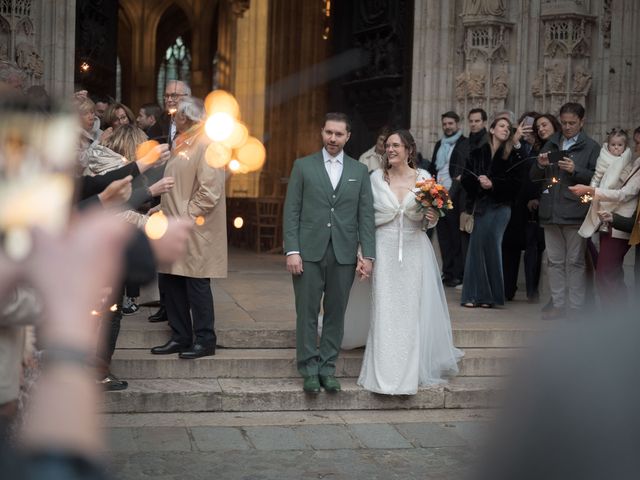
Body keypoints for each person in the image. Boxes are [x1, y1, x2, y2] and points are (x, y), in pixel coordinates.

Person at [357, 129, 462, 395]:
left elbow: (432, 220)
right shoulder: (375, 179)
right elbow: (366, 220)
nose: (390, 149)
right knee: (384, 309)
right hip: (384, 248)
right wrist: (364, 253)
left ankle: (407, 377)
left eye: (396, 145)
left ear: (409, 150)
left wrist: (431, 216)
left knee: (410, 311)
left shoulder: (424, 179)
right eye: (388, 145)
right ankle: (382, 378)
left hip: (414, 249)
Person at [283, 112, 375, 394]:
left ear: (348, 137)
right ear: (322, 132)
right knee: (307, 312)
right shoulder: (303, 166)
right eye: (328, 133)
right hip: (308, 251)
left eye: (339, 134)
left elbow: (366, 216)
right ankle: (309, 370)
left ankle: (328, 368)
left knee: (336, 314)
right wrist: (292, 251)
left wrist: (368, 255)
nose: (332, 138)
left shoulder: (359, 172)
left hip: (344, 254)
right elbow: (292, 211)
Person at [151, 96, 227, 360]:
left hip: (194, 227)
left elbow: (209, 191)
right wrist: (161, 210)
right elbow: (177, 183)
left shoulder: (208, 144)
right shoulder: (182, 142)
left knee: (196, 282)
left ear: (187, 116)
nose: (172, 116)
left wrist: (185, 215)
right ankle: (180, 336)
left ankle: (205, 339)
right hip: (173, 223)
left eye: (176, 113)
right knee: (172, 281)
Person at [530, 102, 599, 319]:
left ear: (582, 122)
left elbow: (598, 180)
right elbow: (533, 177)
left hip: (575, 212)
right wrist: (541, 166)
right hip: (550, 211)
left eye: (572, 123)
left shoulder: (591, 147)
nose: (567, 127)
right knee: (554, 261)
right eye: (564, 123)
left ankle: (576, 308)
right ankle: (558, 305)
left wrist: (575, 170)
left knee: (576, 262)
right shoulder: (551, 143)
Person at [569, 129, 638, 304]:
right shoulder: (635, 162)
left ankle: (615, 319)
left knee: (605, 274)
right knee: (609, 272)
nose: (637, 146)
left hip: (621, 223)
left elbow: (624, 194)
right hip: (609, 219)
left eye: (639, 142)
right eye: (636, 142)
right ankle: (616, 317)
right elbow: (601, 177)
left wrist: (591, 191)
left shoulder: (631, 162)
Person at [460, 117, 523, 308]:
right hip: (480, 206)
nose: (505, 130)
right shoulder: (478, 153)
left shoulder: (513, 155)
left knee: (492, 247)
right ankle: (473, 295)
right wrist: (478, 183)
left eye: (508, 128)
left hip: (500, 208)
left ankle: (490, 297)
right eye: (501, 126)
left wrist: (493, 184)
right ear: (492, 129)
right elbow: (465, 178)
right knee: (475, 249)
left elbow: (516, 185)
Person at [501, 111, 541, 302]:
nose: (529, 130)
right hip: (515, 202)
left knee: (534, 249)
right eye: (523, 125)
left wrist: (537, 197)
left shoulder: (544, 146)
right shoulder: (515, 145)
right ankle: (508, 288)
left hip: (535, 206)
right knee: (510, 247)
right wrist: (516, 141)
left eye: (533, 126)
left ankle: (533, 290)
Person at [429, 111, 470, 287]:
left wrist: (448, 196)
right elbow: (434, 167)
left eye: (450, 123)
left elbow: (461, 171)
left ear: (458, 124)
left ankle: (458, 274)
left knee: (456, 237)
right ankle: (448, 272)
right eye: (445, 124)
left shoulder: (464, 143)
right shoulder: (439, 144)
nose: (447, 127)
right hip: (438, 194)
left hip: (455, 196)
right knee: (443, 237)